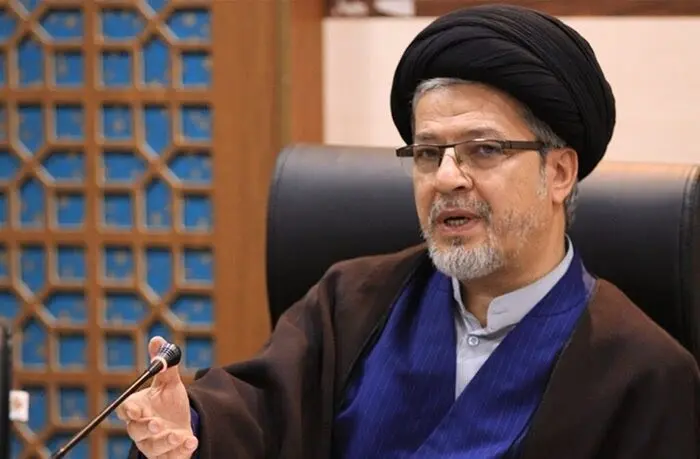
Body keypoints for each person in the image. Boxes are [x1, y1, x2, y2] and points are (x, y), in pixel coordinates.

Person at [120, 4, 700, 458]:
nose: (446, 177)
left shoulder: (646, 373)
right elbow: (257, 417)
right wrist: (186, 425)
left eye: (483, 149)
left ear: (559, 172)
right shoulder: (352, 302)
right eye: (427, 153)